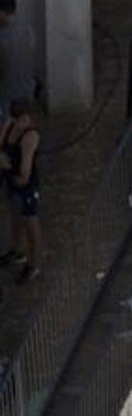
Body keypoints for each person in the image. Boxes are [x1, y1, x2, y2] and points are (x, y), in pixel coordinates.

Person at [0, 98, 40, 284]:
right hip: (10, 180)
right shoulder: (9, 124)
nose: (20, 124)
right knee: (15, 215)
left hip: (26, 185)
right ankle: (18, 251)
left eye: (23, 120)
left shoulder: (30, 136)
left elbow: (24, 175)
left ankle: (33, 265)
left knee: (30, 222)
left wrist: (7, 167)